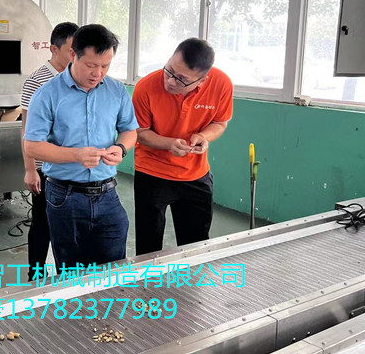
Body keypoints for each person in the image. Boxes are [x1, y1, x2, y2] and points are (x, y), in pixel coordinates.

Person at [24, 24, 138, 271]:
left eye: (105, 66)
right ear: (73, 54)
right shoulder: (47, 94)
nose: (98, 73)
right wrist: (76, 155)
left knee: (113, 270)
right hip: (65, 196)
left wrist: (121, 148)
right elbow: (32, 146)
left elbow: (130, 130)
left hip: (108, 193)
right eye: (91, 65)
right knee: (71, 272)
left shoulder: (116, 90)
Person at [132, 38, 233, 255]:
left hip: (195, 174)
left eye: (181, 79)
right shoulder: (146, 87)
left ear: (203, 80)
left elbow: (220, 123)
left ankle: (191, 279)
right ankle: (148, 278)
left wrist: (204, 136)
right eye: (169, 70)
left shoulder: (221, 84)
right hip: (152, 172)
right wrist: (169, 144)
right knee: (148, 246)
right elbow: (140, 133)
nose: (170, 81)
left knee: (196, 244)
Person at [21, 21, 78, 281]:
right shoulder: (37, 81)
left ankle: (69, 276)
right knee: (42, 222)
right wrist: (30, 169)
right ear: (54, 49)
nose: (76, 55)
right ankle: (35, 275)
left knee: (69, 223)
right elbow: (26, 131)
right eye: (71, 50)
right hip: (46, 167)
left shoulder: (79, 77)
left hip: (72, 166)